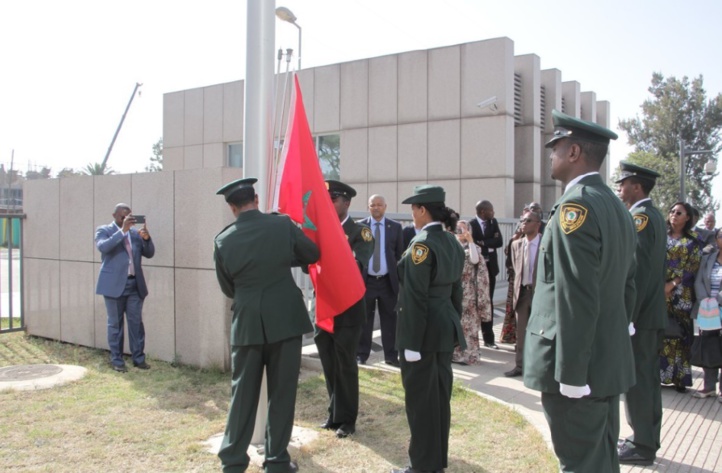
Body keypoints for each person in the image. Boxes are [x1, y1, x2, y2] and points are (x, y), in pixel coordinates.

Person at [523, 110, 637, 473]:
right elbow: (628, 283)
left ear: (574, 152)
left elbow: (576, 295)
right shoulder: (616, 206)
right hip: (605, 358)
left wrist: (571, 374)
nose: (551, 155)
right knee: (599, 459)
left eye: (555, 147)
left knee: (580, 463)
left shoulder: (577, 206)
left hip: (578, 368)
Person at [213, 178, 319, 473]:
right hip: (285, 320)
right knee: (282, 393)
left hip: (247, 322)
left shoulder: (223, 240)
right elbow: (312, 255)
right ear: (256, 199)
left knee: (242, 394)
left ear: (232, 208)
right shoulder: (282, 226)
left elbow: (227, 287)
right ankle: (276, 460)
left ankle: (233, 462)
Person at [391, 185, 465, 473]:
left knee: (421, 402)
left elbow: (415, 297)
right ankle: (435, 462)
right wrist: (452, 324)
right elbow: (456, 292)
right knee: (438, 399)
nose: (412, 215)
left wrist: (410, 342)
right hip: (443, 327)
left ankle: (422, 466)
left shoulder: (422, 245)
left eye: (413, 209)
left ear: (423, 210)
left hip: (421, 333)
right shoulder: (452, 241)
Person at [614, 161, 667, 466]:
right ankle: (644, 438)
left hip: (641, 317)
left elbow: (640, 273)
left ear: (636, 185)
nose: (620, 189)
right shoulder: (651, 215)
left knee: (639, 382)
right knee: (644, 380)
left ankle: (643, 445)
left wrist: (628, 317)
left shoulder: (642, 217)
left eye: (623, 184)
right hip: (647, 315)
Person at [315, 180, 374, 439]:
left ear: (347, 203)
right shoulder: (320, 231)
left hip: (348, 311)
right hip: (325, 309)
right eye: (326, 199)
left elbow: (357, 266)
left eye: (334, 199)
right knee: (328, 363)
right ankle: (334, 413)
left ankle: (348, 420)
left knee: (346, 365)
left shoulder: (360, 232)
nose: (329, 203)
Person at [95, 203, 155, 373]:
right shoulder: (104, 230)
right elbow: (103, 247)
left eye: (129, 216)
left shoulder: (135, 234)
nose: (126, 219)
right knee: (115, 324)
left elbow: (149, 253)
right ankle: (117, 360)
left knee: (136, 323)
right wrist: (122, 231)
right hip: (113, 286)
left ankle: (138, 358)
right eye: (123, 216)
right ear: (114, 215)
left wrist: (147, 239)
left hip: (134, 285)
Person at [357, 194, 404, 366]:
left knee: (390, 320)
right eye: (372, 205)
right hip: (366, 281)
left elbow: (399, 254)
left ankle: (391, 356)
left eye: (379, 205)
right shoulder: (359, 226)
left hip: (387, 282)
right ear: (368, 207)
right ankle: (361, 354)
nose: (376, 207)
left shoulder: (395, 227)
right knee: (364, 320)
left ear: (385, 206)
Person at [660, 201, 702, 393]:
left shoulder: (693, 240)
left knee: (680, 334)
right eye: (672, 211)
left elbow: (692, 266)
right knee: (661, 333)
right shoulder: (661, 235)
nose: (674, 214)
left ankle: (679, 379)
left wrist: (673, 283)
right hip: (659, 291)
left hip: (681, 292)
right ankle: (660, 376)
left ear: (687, 218)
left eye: (679, 212)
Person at [504, 209, 541, 377]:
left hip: (540, 294)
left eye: (528, 221)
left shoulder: (545, 243)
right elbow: (514, 269)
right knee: (522, 334)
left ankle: (539, 368)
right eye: (522, 221)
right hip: (522, 294)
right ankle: (520, 366)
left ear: (538, 224)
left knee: (541, 333)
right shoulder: (516, 244)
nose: (523, 224)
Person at [452, 219, 492, 365]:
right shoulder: (452, 245)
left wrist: (470, 240)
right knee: (456, 324)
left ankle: (470, 355)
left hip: (469, 292)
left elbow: (475, 260)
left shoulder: (473, 247)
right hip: (454, 291)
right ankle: (456, 354)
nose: (461, 232)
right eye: (458, 229)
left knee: (470, 325)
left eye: (464, 229)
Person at [691, 229, 722, 401]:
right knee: (709, 345)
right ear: (716, 239)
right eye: (721, 236)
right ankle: (709, 386)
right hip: (708, 310)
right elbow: (699, 281)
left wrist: (718, 299)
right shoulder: (708, 258)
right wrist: (706, 300)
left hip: (720, 305)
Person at [469, 200, 503, 349]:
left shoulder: (493, 222)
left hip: (491, 268)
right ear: (483, 212)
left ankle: (489, 339)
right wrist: (487, 243)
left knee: (488, 302)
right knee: (474, 302)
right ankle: (473, 338)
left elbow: (499, 241)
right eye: (491, 210)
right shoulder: (471, 225)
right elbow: (473, 243)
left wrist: (483, 242)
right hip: (476, 269)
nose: (493, 213)